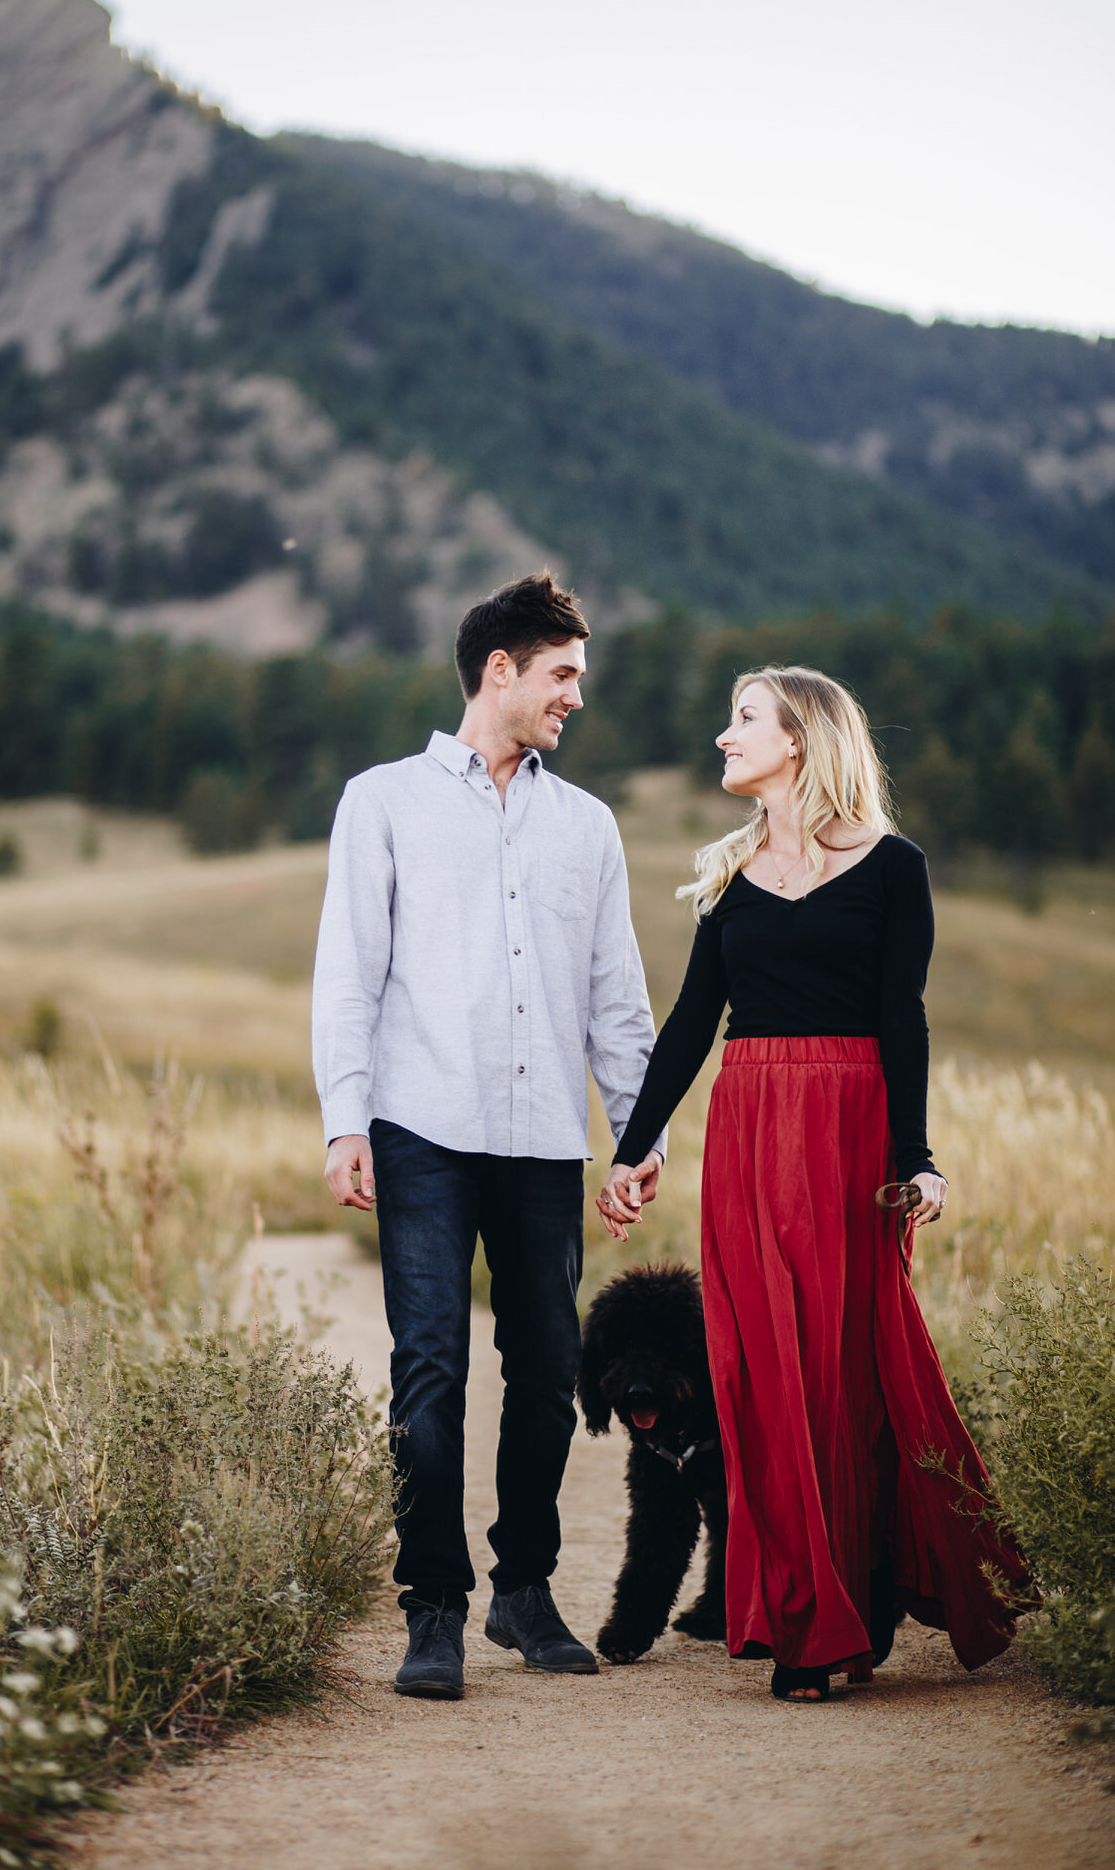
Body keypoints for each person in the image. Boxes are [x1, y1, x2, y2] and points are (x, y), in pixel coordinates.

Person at [599, 665, 1029, 1703]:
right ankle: (809, 1620)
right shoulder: (732, 877)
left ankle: (866, 1590)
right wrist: (633, 1144)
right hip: (749, 1131)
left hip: (849, 1130)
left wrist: (915, 1155)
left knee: (843, 1374)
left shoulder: (893, 867)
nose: (722, 736)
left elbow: (902, 1019)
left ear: (800, 737)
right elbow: (693, 1024)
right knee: (760, 1375)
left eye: (743, 719)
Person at [312, 572, 664, 1700]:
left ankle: (523, 1588)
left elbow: (618, 996)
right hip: (421, 1127)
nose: (575, 697)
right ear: (499, 670)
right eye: (562, 675)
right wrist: (343, 1118)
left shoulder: (587, 824)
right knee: (430, 1366)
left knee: (550, 1365)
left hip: (542, 1135)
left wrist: (637, 1133)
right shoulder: (384, 801)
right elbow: (347, 975)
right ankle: (433, 1607)